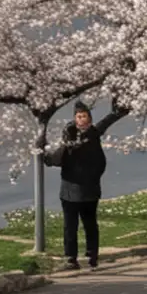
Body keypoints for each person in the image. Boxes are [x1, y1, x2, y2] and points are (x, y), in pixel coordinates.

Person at [41, 103, 108, 270]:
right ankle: (74, 257)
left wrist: (44, 152)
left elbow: (100, 164)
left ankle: (87, 255)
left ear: (89, 119)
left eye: (84, 116)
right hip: (72, 189)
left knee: (87, 223)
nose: (82, 119)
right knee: (73, 225)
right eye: (79, 116)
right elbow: (55, 159)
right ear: (75, 119)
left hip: (86, 190)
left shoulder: (91, 139)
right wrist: (46, 154)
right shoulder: (71, 140)